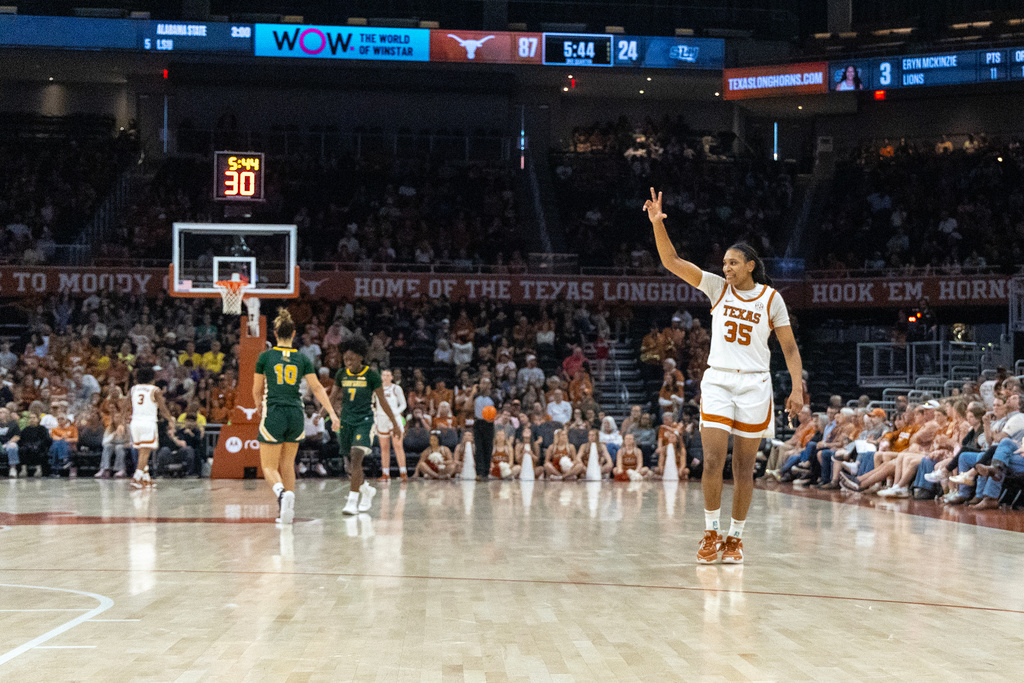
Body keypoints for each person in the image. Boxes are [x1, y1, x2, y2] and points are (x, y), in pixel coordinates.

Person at [647, 187, 803, 565]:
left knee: (744, 467)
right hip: (718, 381)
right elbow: (672, 261)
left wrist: (797, 389)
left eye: (733, 263)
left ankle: (736, 537)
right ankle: (711, 532)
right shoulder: (717, 290)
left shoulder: (771, 299)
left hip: (754, 383)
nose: (726, 268)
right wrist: (656, 224)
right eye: (724, 263)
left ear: (750, 265)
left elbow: (790, 349)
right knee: (714, 459)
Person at [253, 310, 339, 525]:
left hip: (274, 411)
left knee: (269, 467)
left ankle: (282, 495)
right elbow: (317, 388)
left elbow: (256, 389)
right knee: (288, 463)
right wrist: (332, 413)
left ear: (274, 333)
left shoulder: (265, 356)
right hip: (295, 413)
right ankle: (286, 512)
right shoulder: (302, 358)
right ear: (293, 334)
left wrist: (258, 407)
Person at [332, 336, 402, 516]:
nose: (347, 362)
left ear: (360, 357)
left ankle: (352, 500)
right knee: (350, 467)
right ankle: (366, 491)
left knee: (356, 457)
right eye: (345, 359)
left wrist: (395, 423)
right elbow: (332, 398)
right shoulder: (341, 374)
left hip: (364, 421)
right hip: (346, 421)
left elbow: (383, 401)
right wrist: (321, 414)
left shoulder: (371, 375)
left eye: (351, 358)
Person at [129, 366, 175, 488]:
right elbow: (163, 408)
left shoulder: (134, 389)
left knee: (141, 451)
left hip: (135, 422)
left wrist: (123, 420)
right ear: (152, 378)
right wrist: (170, 419)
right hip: (148, 423)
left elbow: (125, 404)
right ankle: (136, 477)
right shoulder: (155, 390)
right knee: (145, 452)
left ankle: (146, 478)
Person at [374, 369, 408, 481]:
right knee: (384, 447)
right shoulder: (376, 389)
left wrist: (395, 413)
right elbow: (372, 404)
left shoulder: (396, 388)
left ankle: (403, 472)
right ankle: (385, 474)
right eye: (383, 375)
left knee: (398, 445)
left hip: (394, 419)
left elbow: (403, 404)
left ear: (392, 377)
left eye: (388, 375)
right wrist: (375, 415)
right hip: (381, 418)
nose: (385, 377)